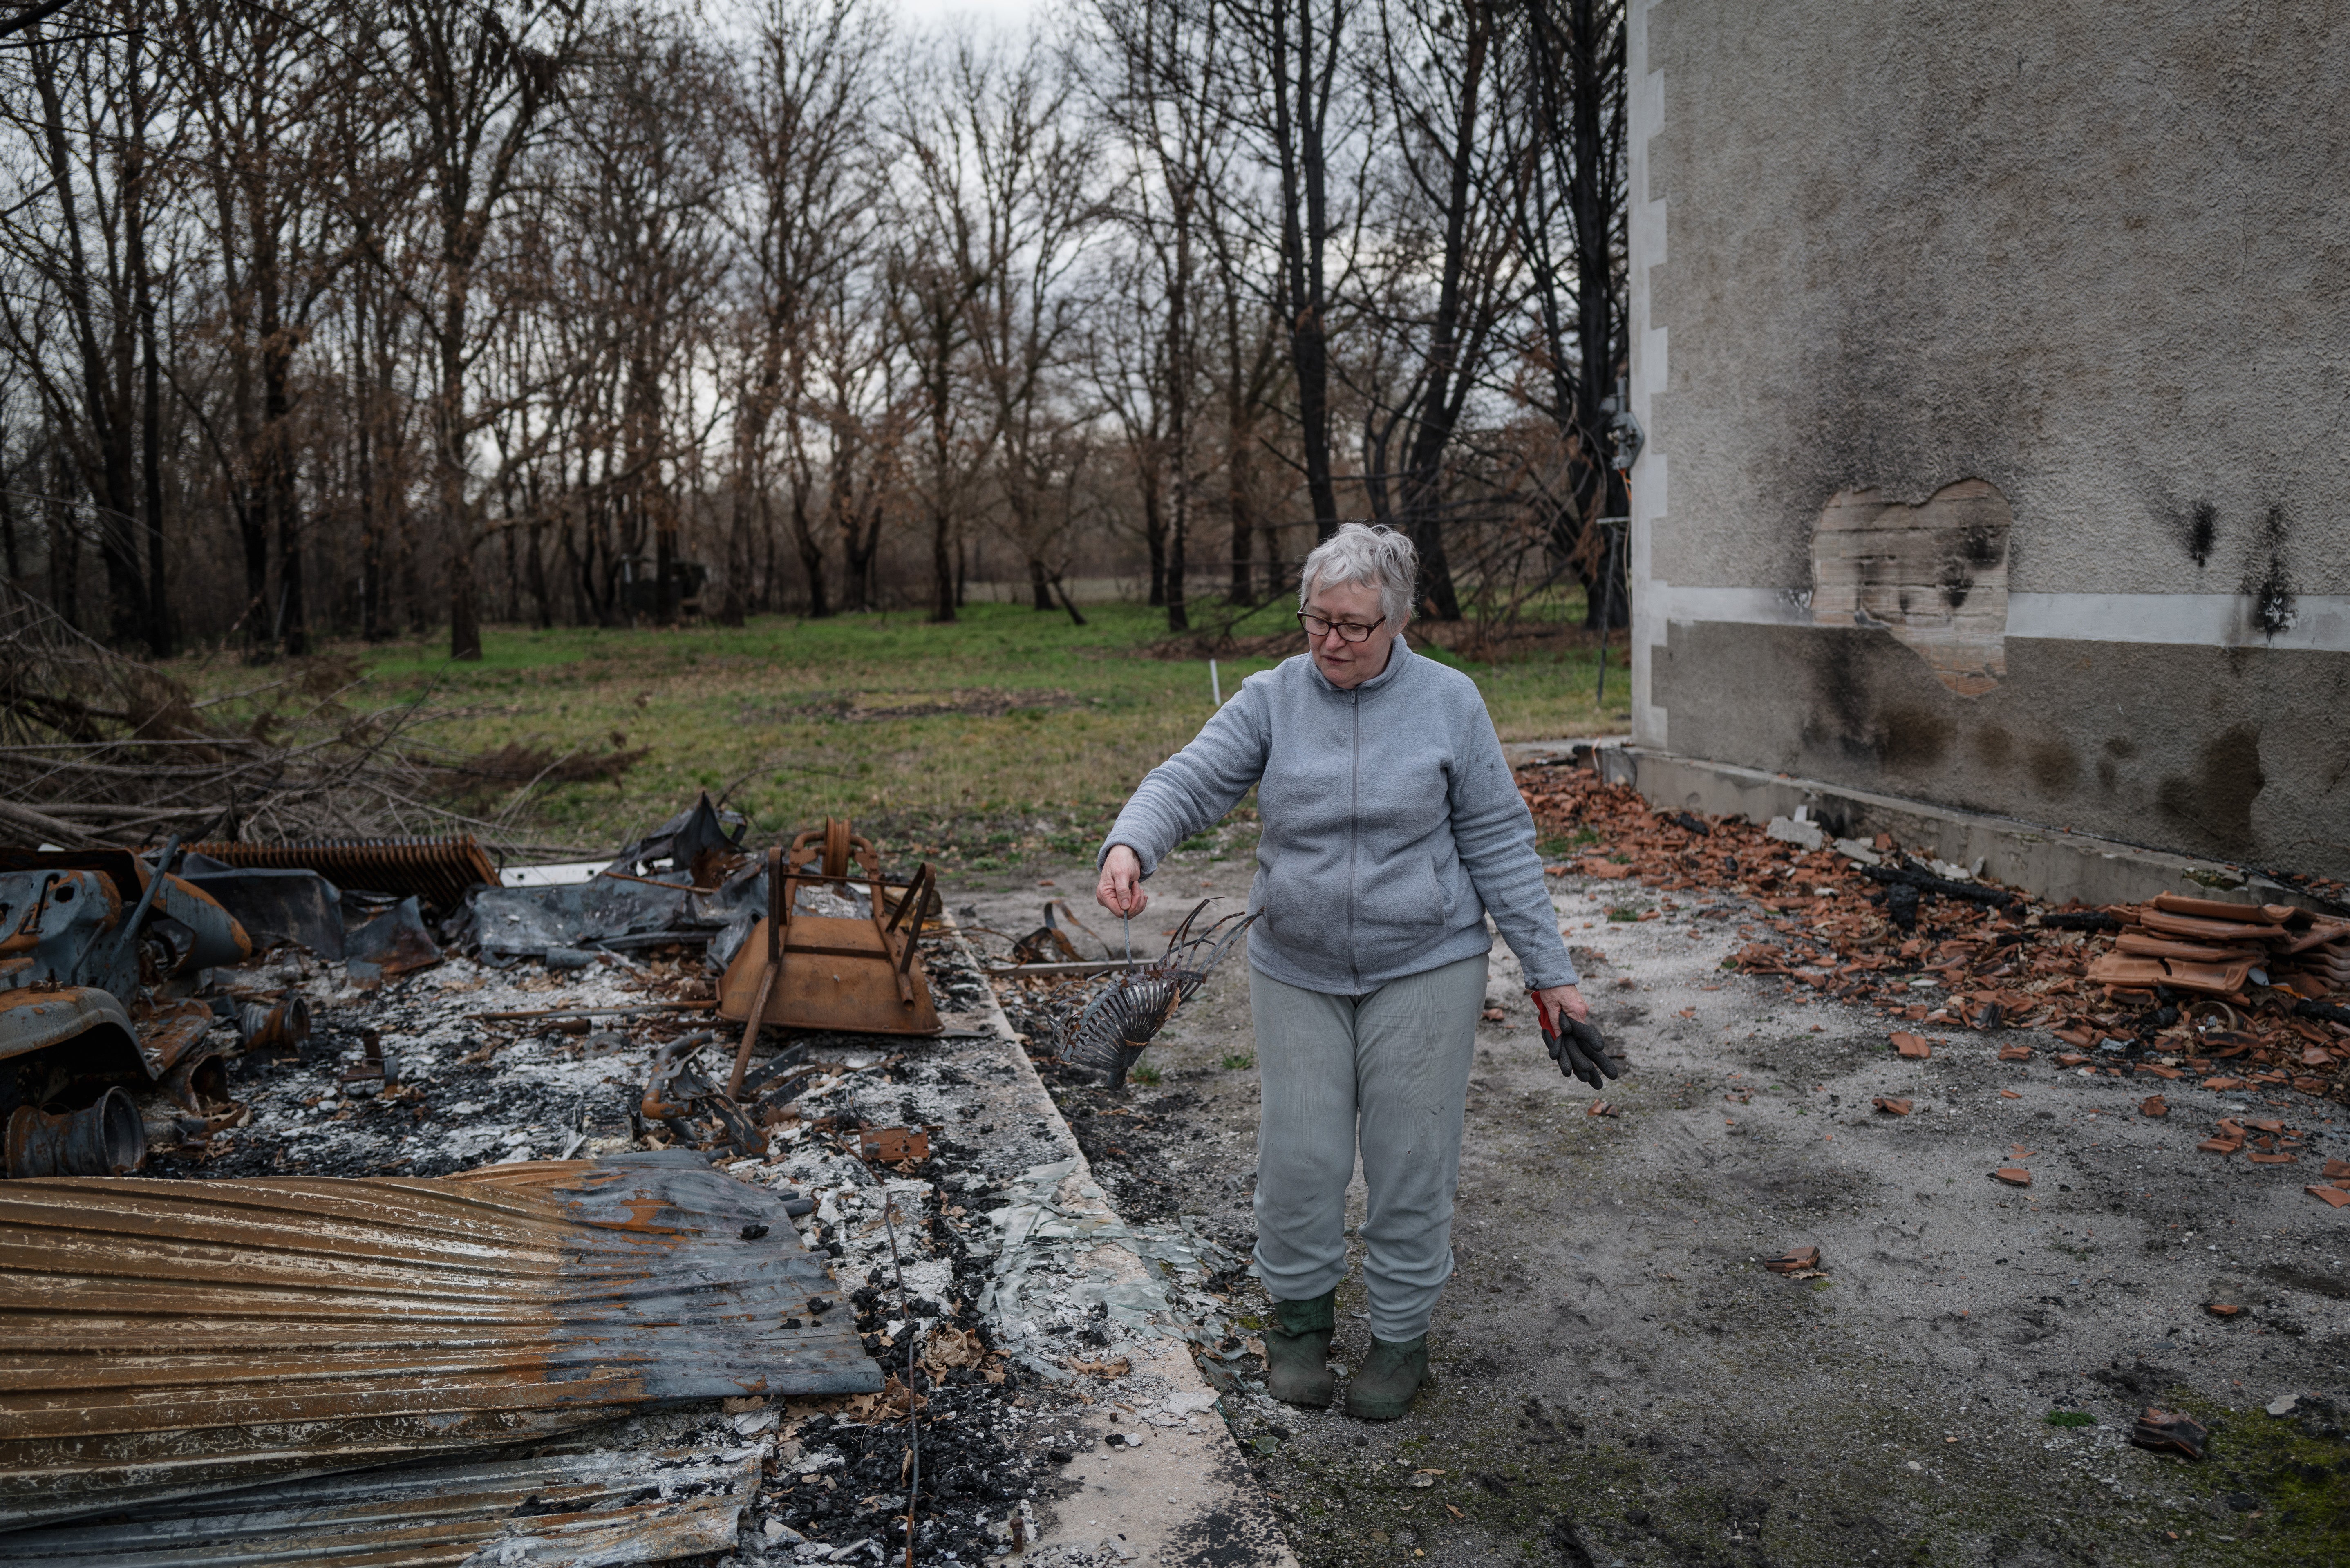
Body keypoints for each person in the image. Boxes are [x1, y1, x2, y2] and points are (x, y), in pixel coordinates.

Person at [1094, 522, 1590, 1420]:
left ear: (1397, 620)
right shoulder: (1273, 696)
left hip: (1426, 961)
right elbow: (1189, 779)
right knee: (1302, 1154)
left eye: (1355, 625)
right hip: (1298, 963)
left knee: (1410, 1154)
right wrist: (1132, 841)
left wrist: (1549, 970)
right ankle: (1297, 1324)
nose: (1331, 641)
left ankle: (1400, 1337)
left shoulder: (1450, 701)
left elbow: (1498, 839)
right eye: (1317, 619)